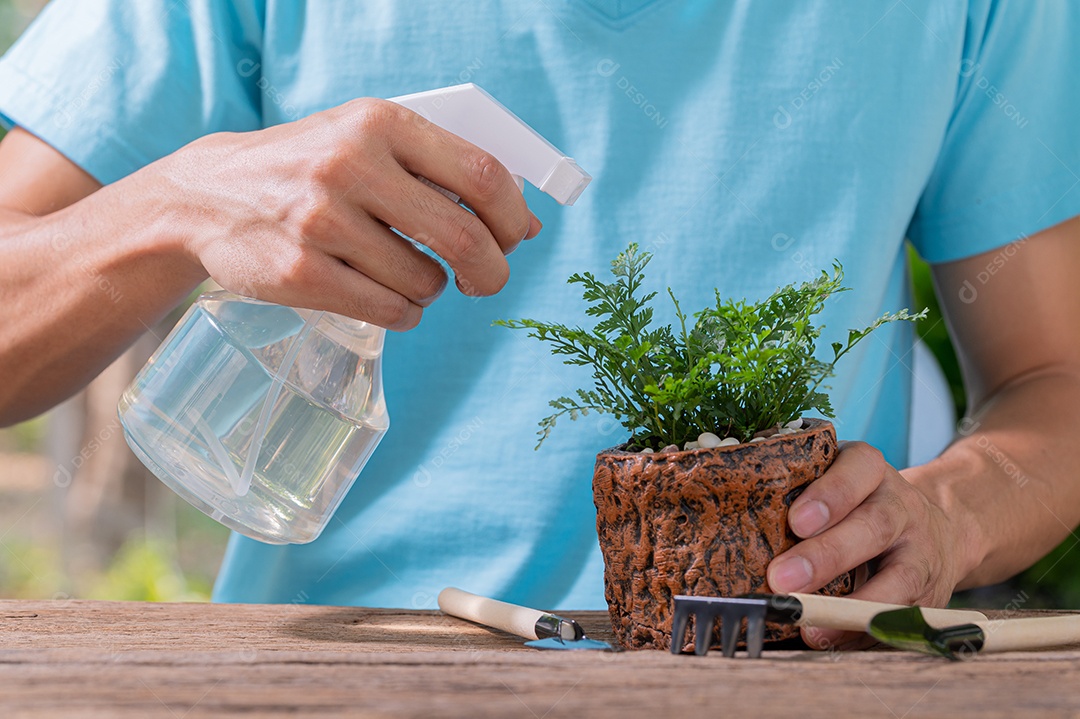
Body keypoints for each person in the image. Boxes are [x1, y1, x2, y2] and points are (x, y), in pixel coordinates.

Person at [1, 0, 1078, 649]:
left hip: (774, 674)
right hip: (328, 678)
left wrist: (951, 516)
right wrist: (175, 204)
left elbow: (1054, 377)